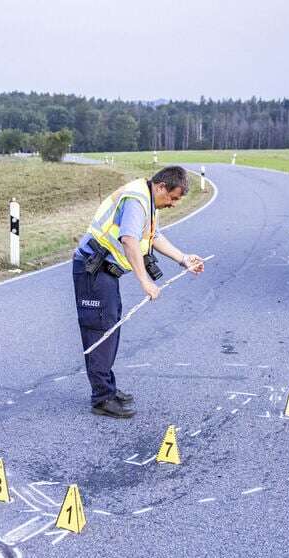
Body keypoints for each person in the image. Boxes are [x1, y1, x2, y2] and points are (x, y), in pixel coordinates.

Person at [72, 165, 205, 418]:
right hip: (93, 270)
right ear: (161, 187)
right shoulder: (137, 200)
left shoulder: (147, 199)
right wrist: (145, 281)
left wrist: (183, 258)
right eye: (173, 198)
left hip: (105, 271)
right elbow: (130, 240)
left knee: (110, 326)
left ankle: (107, 387)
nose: (174, 204)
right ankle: (102, 398)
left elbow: (152, 236)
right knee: (101, 330)